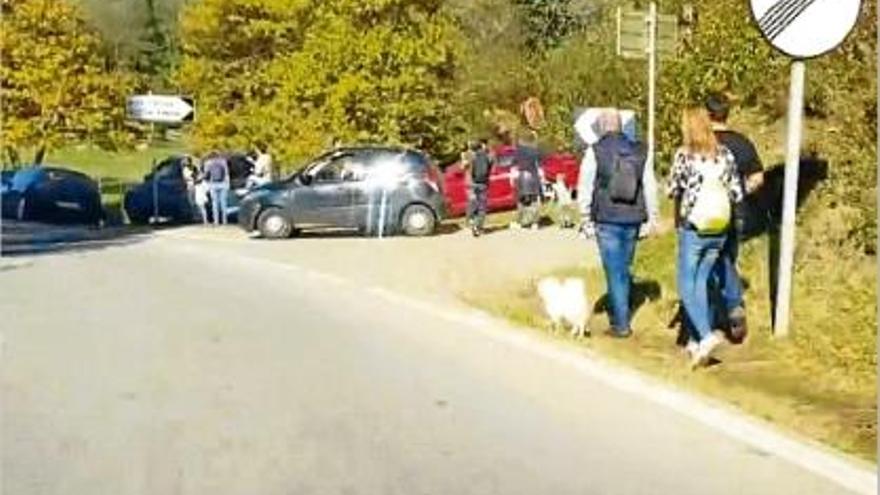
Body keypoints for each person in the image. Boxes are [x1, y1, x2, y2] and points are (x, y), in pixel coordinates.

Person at [667, 108, 743, 368]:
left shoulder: (685, 155)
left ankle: (706, 335)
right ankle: (697, 340)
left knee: (687, 284)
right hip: (719, 228)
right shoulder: (725, 155)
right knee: (701, 282)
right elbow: (737, 192)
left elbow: (673, 188)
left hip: (694, 228)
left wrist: (678, 217)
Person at [580, 110, 649, 338]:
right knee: (624, 267)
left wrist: (584, 216)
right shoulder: (640, 150)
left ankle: (621, 324)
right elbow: (649, 184)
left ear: (602, 127)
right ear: (621, 126)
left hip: (607, 217)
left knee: (614, 271)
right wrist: (653, 216)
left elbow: (586, 185)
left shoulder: (595, 151)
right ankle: (621, 310)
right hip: (633, 218)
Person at [706, 93, 764, 338]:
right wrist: (740, 192)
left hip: (705, 213)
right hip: (736, 211)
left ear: (707, 115)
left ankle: (718, 314)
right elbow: (757, 177)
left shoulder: (702, 142)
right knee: (726, 258)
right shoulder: (742, 142)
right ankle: (730, 308)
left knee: (708, 263)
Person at [509, 131, 544, 230]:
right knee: (534, 201)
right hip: (533, 176)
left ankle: (520, 222)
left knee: (521, 201)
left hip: (522, 176)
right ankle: (535, 223)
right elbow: (540, 164)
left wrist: (512, 179)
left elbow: (513, 165)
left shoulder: (518, 150)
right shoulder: (535, 150)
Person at [464, 139, 493, 236]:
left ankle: (472, 222)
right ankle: (478, 226)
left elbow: (468, 169)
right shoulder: (487, 156)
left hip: (474, 183)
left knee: (474, 203)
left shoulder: (472, 157)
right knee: (482, 206)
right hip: (483, 184)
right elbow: (490, 168)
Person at [202, 151, 231, 226]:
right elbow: (227, 173)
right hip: (223, 184)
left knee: (215, 203)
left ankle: (216, 221)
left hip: (213, 184)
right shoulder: (223, 161)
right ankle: (225, 221)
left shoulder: (208, 163)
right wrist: (228, 184)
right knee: (223, 203)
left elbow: (206, 174)